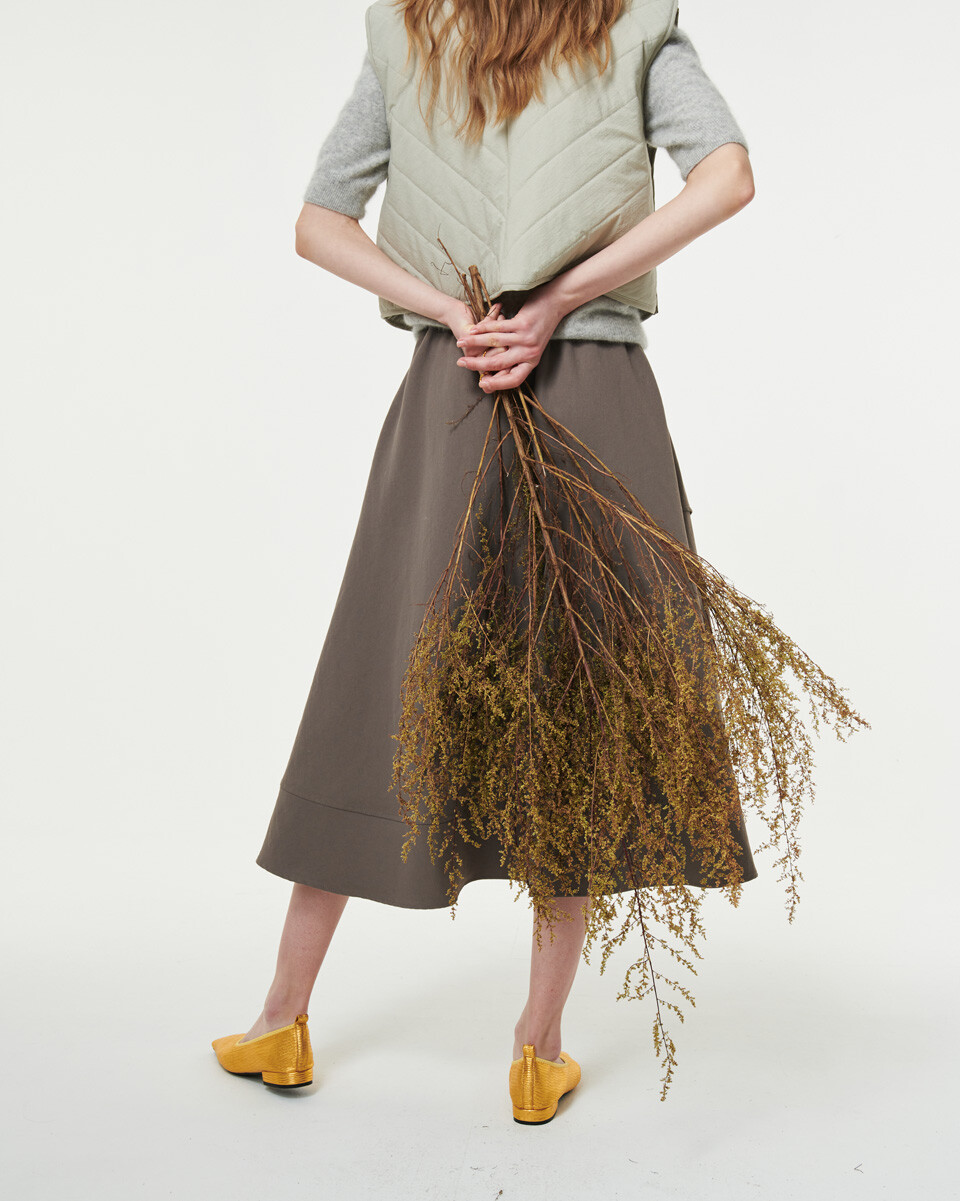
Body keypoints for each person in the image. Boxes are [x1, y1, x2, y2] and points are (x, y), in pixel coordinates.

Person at [212, 0, 757, 1123]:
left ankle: (281, 1017)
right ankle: (536, 1046)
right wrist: (557, 302)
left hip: (451, 389)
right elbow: (727, 177)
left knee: (381, 680)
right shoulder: (635, 25)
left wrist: (453, 314)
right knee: (580, 695)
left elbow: (319, 221)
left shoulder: (409, 32)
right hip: (595, 387)